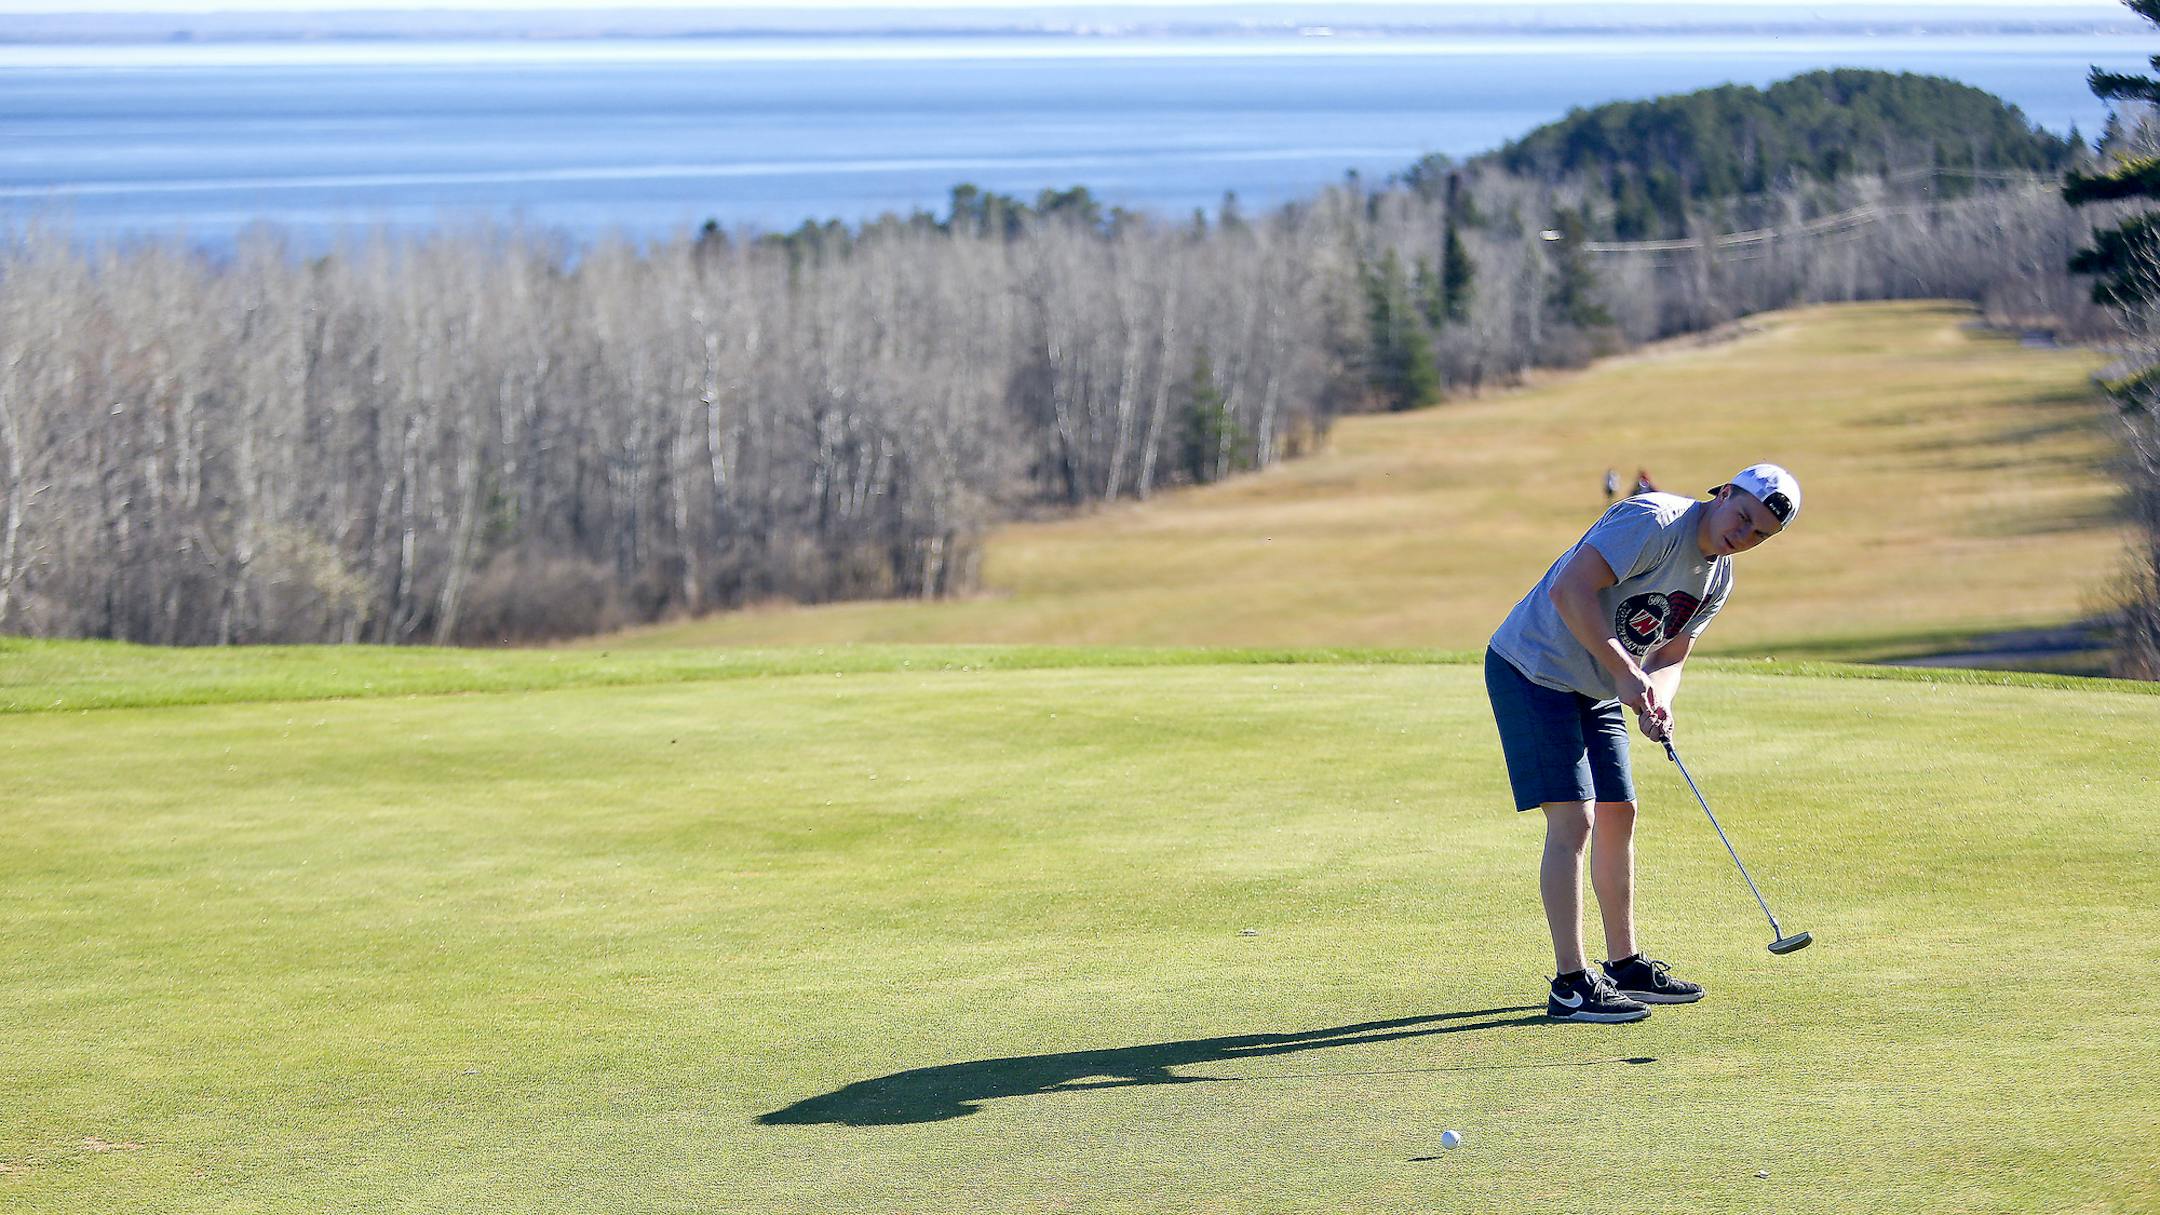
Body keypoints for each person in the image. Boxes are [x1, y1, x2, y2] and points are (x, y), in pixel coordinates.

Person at [1484, 463, 1801, 1022]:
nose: (1743, 535)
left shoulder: (1718, 577)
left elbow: (1672, 655)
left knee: (1619, 811)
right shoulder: (1653, 520)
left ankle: (1624, 964)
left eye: (1759, 536)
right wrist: (1628, 674)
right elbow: (1570, 590)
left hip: (1599, 682)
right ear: (1724, 493)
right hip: (1533, 668)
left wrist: (1656, 694)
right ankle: (1571, 984)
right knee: (1574, 820)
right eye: (1743, 517)